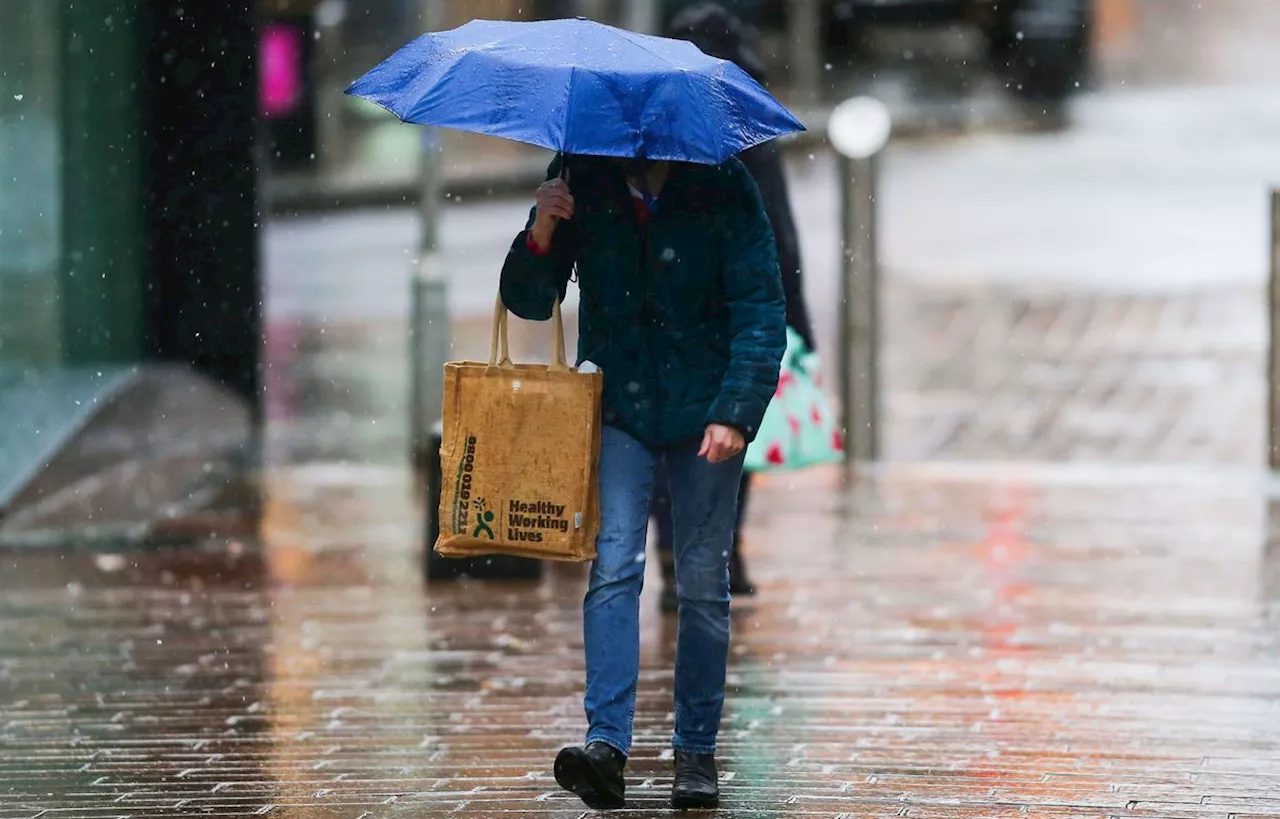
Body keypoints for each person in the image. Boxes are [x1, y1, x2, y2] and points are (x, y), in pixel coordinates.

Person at [499, 148, 785, 810]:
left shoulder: (722, 181)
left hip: (706, 408)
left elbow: (760, 309)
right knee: (614, 565)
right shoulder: (579, 172)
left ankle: (695, 750)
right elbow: (528, 301)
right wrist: (542, 229)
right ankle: (606, 745)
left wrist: (736, 412)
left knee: (703, 581)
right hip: (618, 405)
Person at [649, 1, 818, 613]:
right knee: (731, 431)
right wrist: (794, 319)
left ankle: (678, 549)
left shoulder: (653, 117)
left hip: (670, 317)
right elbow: (779, 232)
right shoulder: (748, 119)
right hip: (731, 318)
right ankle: (721, 547)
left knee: (672, 436)